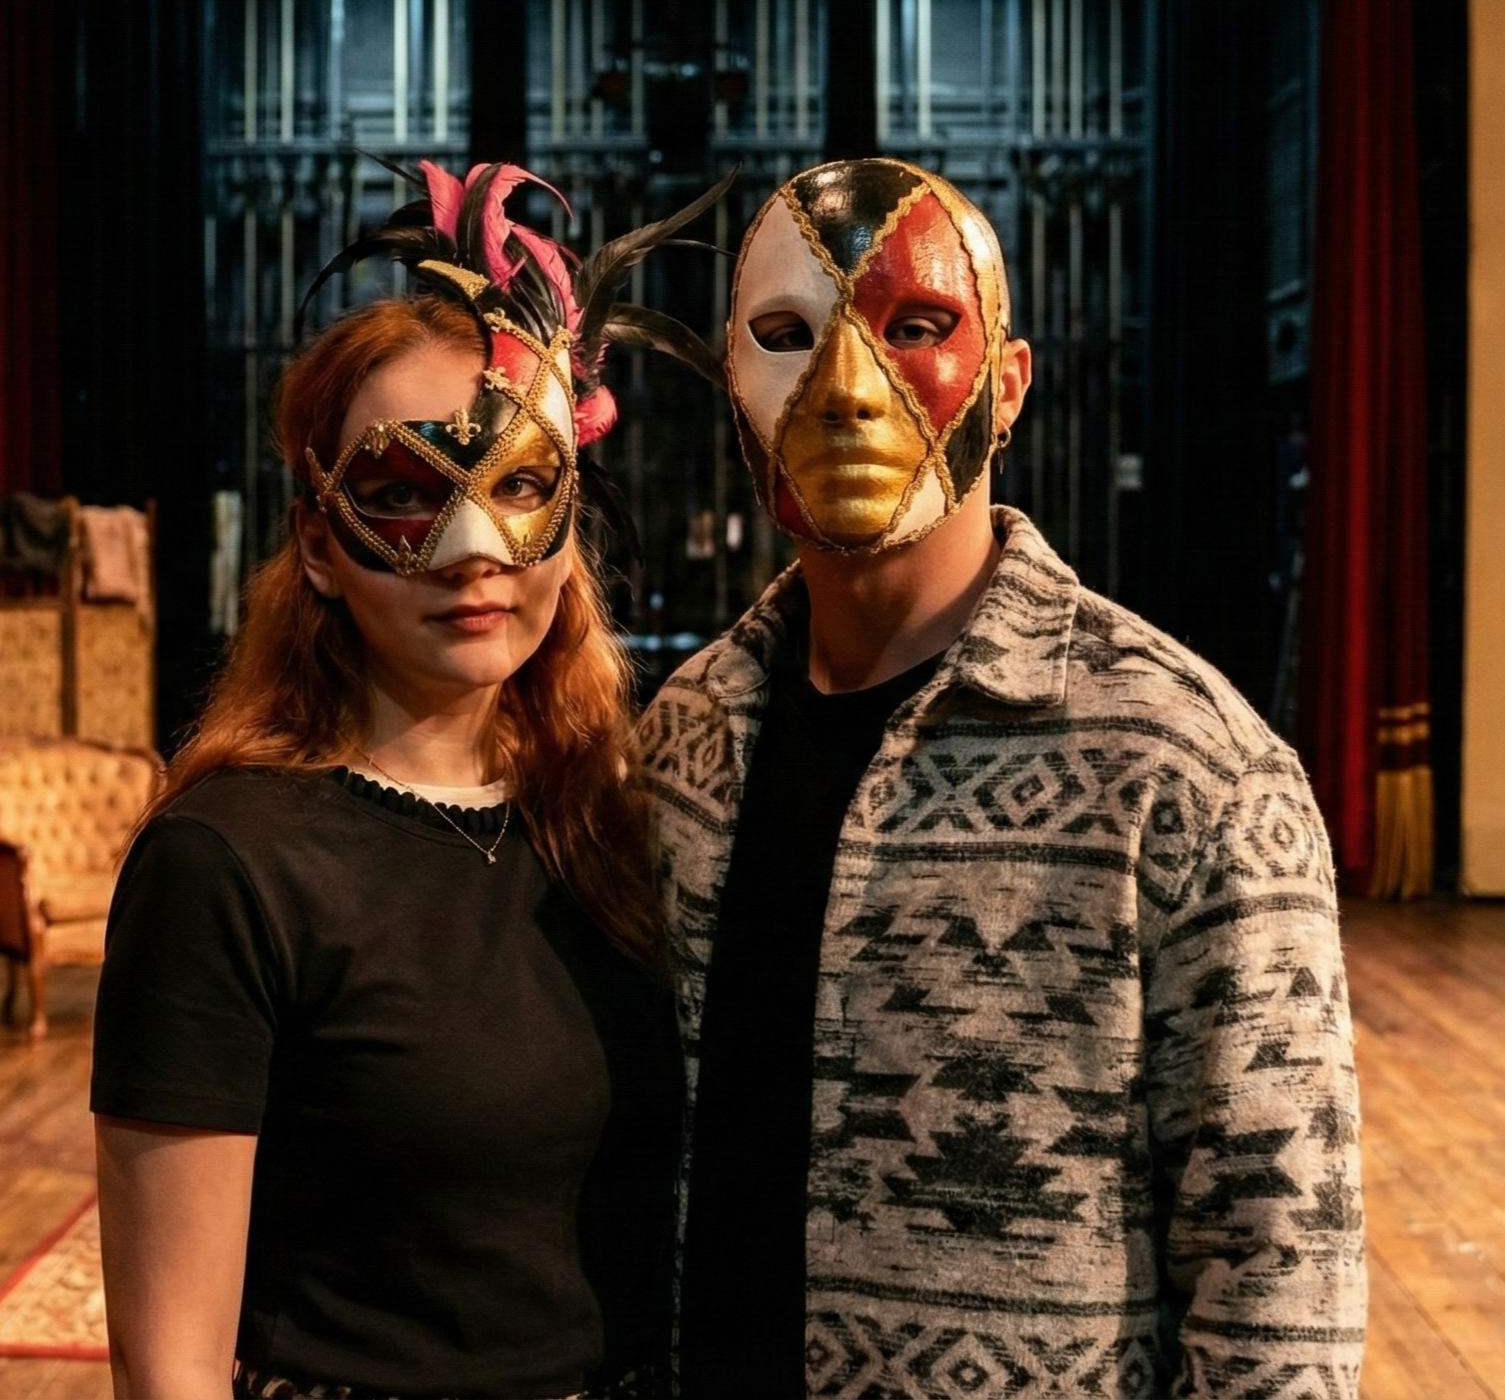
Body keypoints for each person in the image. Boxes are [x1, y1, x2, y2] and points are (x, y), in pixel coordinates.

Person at [638, 158, 1366, 1398]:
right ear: (730, 389)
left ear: (1008, 385)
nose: (848, 392)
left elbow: (1277, 1266)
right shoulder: (683, 742)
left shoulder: (1185, 768)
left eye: (916, 329)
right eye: (784, 337)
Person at [91, 160, 728, 1400]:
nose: (474, 550)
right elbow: (169, 1367)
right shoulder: (227, 865)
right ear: (319, 543)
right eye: (400, 494)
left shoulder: (624, 823)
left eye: (522, 486)